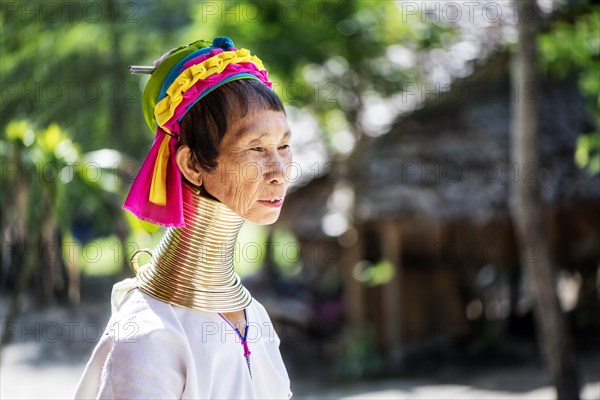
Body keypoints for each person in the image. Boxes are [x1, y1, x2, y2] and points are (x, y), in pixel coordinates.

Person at [74, 36, 293, 399]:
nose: (280, 171)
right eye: (256, 148)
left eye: (284, 146)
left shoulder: (253, 314)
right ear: (192, 164)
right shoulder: (149, 336)